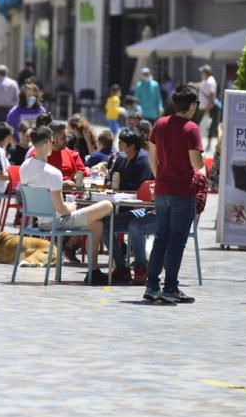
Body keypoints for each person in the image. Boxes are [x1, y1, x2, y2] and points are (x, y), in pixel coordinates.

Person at [19, 126, 113, 285]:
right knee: (107, 205)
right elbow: (61, 209)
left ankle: (94, 271)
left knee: (96, 225)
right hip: (56, 221)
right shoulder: (53, 173)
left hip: (39, 220)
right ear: (48, 143)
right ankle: (97, 269)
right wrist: (74, 206)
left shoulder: (24, 167)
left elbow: (39, 188)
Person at [143, 85, 204, 304]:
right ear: (190, 105)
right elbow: (196, 163)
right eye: (196, 103)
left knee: (161, 237)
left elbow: (152, 152)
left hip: (162, 189)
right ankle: (170, 287)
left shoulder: (160, 123)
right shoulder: (191, 128)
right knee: (177, 241)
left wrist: (158, 174)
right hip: (182, 190)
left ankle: (152, 286)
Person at [103, 129, 155, 285]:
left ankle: (141, 267)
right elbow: (112, 177)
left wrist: (121, 188)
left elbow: (142, 188)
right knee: (104, 224)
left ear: (132, 146)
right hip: (125, 206)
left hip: (144, 209)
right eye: (118, 143)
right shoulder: (121, 159)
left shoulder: (144, 161)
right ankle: (121, 266)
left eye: (122, 144)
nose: (119, 147)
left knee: (135, 225)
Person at [196, 64, 218, 153]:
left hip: (207, 108)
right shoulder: (206, 81)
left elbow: (212, 94)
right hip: (204, 108)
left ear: (206, 73)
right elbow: (200, 85)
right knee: (202, 126)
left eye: (202, 72)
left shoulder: (210, 81)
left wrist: (208, 107)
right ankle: (201, 143)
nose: (201, 74)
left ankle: (207, 145)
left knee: (208, 127)